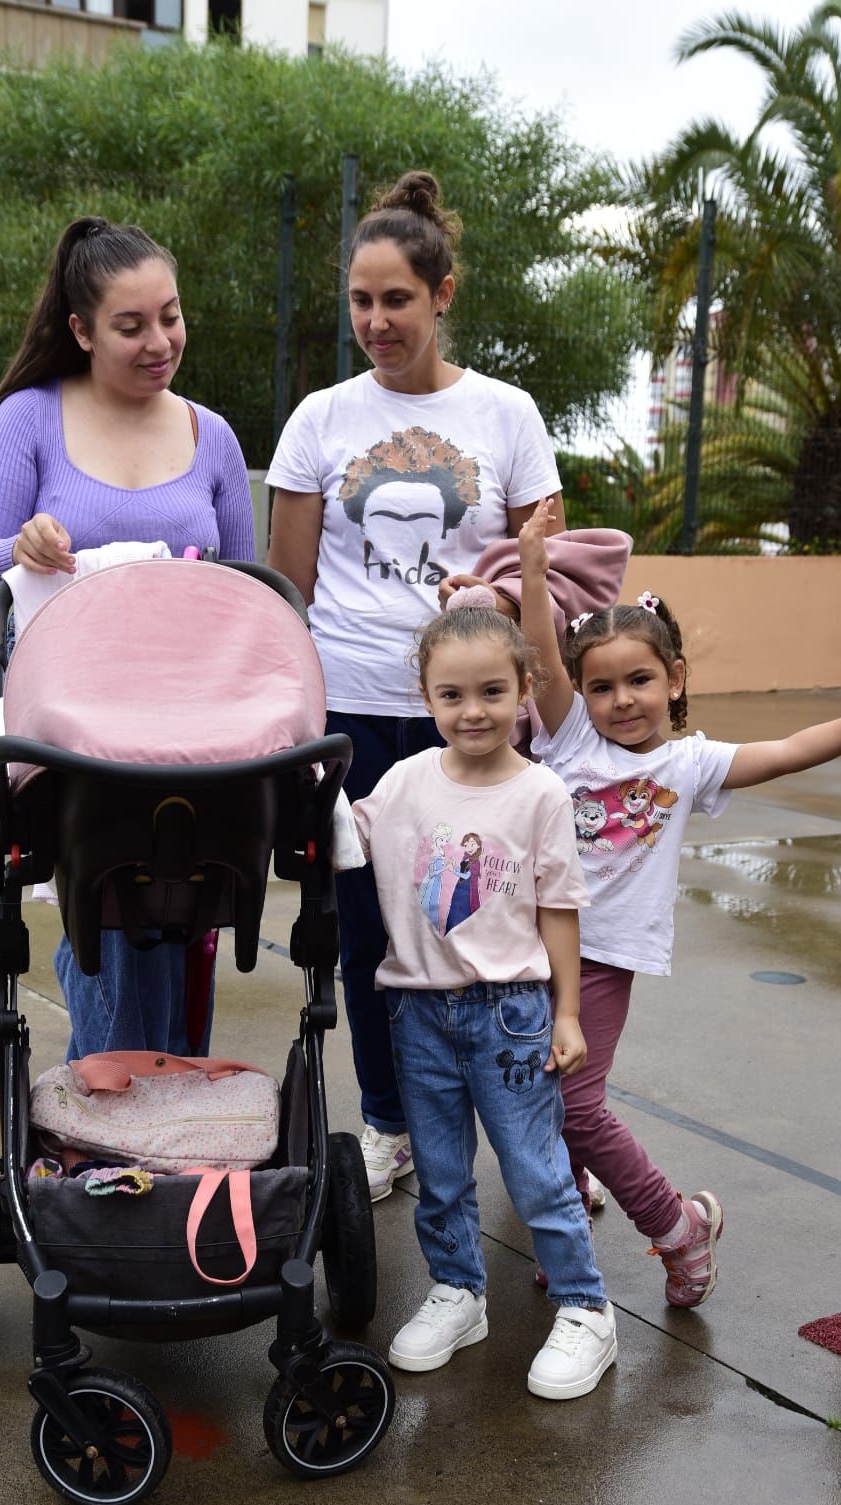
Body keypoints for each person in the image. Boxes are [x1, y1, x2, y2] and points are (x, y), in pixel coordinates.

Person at [266, 169, 569, 1200]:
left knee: (492, 925)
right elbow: (285, 593)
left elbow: (550, 569)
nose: (375, 320)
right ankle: (391, 1125)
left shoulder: (509, 414)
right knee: (367, 933)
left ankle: (537, 1130)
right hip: (351, 715)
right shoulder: (317, 420)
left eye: (396, 298)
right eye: (360, 299)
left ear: (442, 294)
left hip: (476, 720)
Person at [519, 501, 841, 1306]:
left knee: (578, 1105)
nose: (621, 699)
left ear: (675, 679)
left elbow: (787, 752)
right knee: (536, 1089)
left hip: (604, 957)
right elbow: (539, 656)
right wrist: (531, 557)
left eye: (640, 680)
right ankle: (569, 1207)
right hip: (528, 942)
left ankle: (677, 1224)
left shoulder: (690, 765)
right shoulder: (570, 739)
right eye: (602, 686)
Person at [0, 215, 256, 1059]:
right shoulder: (31, 419)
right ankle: (120, 1107)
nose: (160, 341)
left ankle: (158, 1111)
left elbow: (247, 596)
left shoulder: (211, 437)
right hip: (80, 723)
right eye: (131, 326)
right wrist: (20, 547)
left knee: (186, 899)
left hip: (192, 724)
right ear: (80, 330)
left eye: (172, 315)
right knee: (111, 900)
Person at [352, 605, 618, 1400]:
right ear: (426, 699)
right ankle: (459, 1292)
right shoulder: (402, 782)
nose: (473, 711)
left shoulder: (539, 793)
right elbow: (339, 832)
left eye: (493, 691)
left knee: (535, 1171)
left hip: (509, 1010)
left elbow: (560, 909)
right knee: (438, 1172)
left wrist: (567, 1013)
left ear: (526, 689)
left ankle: (585, 1309)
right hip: (418, 1013)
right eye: (452, 695)